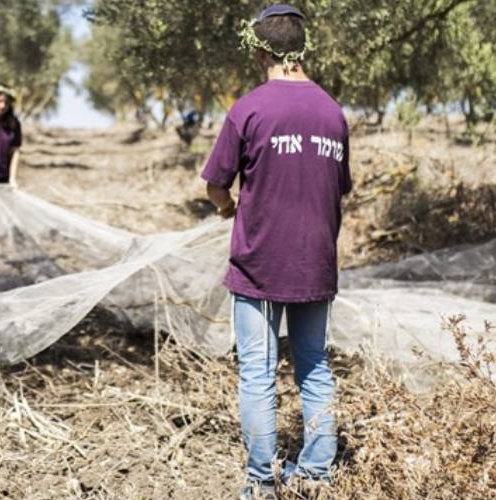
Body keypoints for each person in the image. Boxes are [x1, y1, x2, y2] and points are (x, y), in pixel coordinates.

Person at [200, 4, 352, 499]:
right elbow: (338, 188)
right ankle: (319, 473)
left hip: (261, 266)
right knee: (314, 366)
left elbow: (216, 186)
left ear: (261, 48)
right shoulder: (333, 112)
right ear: (303, 47)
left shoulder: (249, 108)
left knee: (259, 374)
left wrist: (229, 210)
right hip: (317, 264)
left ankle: (263, 483)